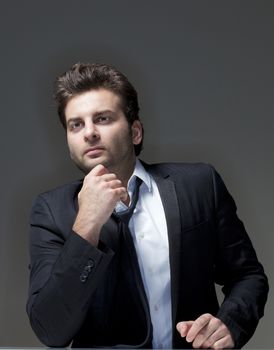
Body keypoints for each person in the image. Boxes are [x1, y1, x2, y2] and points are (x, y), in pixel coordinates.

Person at [27, 62, 268, 349]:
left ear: (135, 132)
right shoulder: (51, 211)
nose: (89, 132)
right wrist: (86, 226)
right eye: (75, 124)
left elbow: (248, 276)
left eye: (102, 118)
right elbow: (51, 329)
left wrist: (230, 323)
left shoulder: (200, 184)